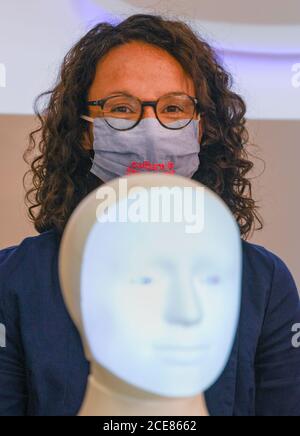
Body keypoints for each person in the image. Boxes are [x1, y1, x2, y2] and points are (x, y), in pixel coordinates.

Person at [0, 14, 299, 416]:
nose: (151, 127)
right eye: (121, 108)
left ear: (201, 128)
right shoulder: (15, 281)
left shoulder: (263, 283)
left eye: (174, 108)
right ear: (85, 130)